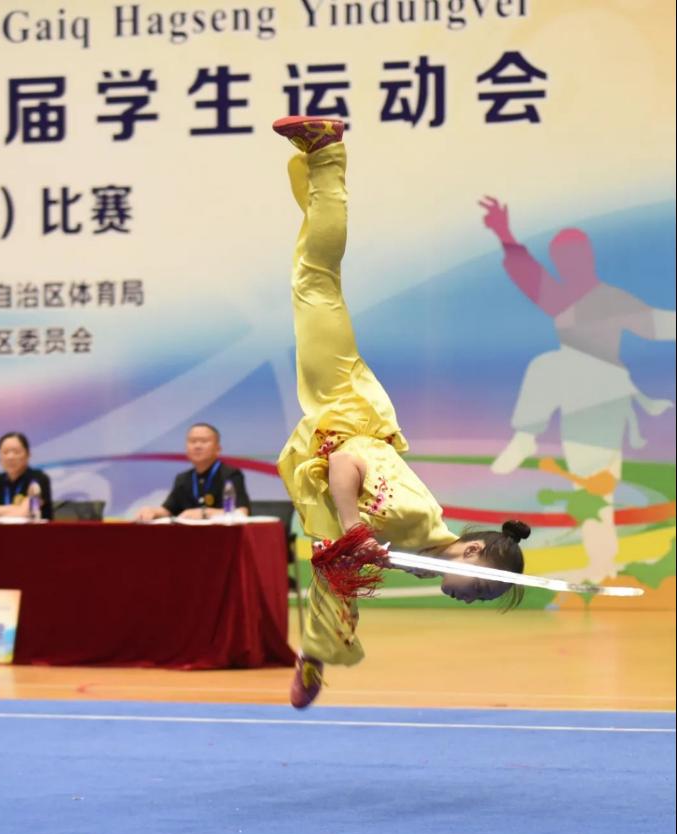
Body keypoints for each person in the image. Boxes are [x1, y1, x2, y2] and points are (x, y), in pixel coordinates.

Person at [273, 116, 531, 709]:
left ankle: (317, 653)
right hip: (345, 408)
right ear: (472, 552)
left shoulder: (422, 555)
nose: (472, 600)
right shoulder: (415, 515)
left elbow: (356, 555)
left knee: (338, 574)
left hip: (336, 430)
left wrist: (355, 544)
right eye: (481, 589)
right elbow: (349, 461)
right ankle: (327, 154)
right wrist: (354, 528)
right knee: (316, 282)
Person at [479, 196, 675, 581]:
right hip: (576, 402)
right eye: (561, 260)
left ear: (587, 259)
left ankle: (526, 436)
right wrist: (505, 235)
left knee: (547, 368)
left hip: (605, 397)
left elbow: (657, 324)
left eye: (573, 257)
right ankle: (601, 562)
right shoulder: (562, 300)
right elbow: (529, 277)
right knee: (589, 489)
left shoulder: (611, 300)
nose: (568, 266)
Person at [136, 422, 250, 521]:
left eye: (204, 441)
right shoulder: (183, 479)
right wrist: (152, 511)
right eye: (192, 441)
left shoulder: (230, 474)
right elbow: (168, 510)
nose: (197, 446)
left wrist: (203, 513)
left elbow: (240, 513)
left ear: (218, 449)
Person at [0, 432, 53, 520]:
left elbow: (23, 513)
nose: (10, 457)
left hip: (33, 528)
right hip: (0, 529)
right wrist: (14, 508)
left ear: (28, 454)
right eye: (5, 452)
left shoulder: (39, 479)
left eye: (16, 452)